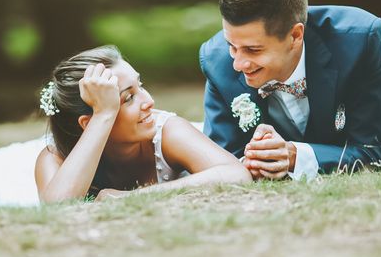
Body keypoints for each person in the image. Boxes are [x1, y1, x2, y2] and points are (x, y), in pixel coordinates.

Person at [200, 0, 381, 180]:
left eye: (253, 50)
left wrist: (294, 157)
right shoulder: (216, 60)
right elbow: (223, 156)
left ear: (295, 36)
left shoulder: (358, 40)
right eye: (232, 46)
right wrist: (255, 162)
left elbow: (375, 152)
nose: (238, 64)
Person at [35, 45, 251, 203]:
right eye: (128, 98)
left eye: (140, 85)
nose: (149, 102)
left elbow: (236, 174)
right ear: (88, 123)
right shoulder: (54, 157)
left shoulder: (167, 130)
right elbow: (59, 208)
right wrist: (103, 116)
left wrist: (129, 197)